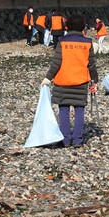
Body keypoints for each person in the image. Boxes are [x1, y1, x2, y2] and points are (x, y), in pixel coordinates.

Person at [41, 15, 98, 148]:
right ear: (83, 27)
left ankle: (66, 140)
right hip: (81, 81)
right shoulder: (88, 42)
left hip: (63, 81)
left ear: (67, 27)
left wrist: (47, 78)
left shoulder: (62, 41)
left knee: (63, 110)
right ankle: (78, 140)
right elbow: (91, 65)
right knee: (79, 110)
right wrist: (94, 80)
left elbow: (56, 63)